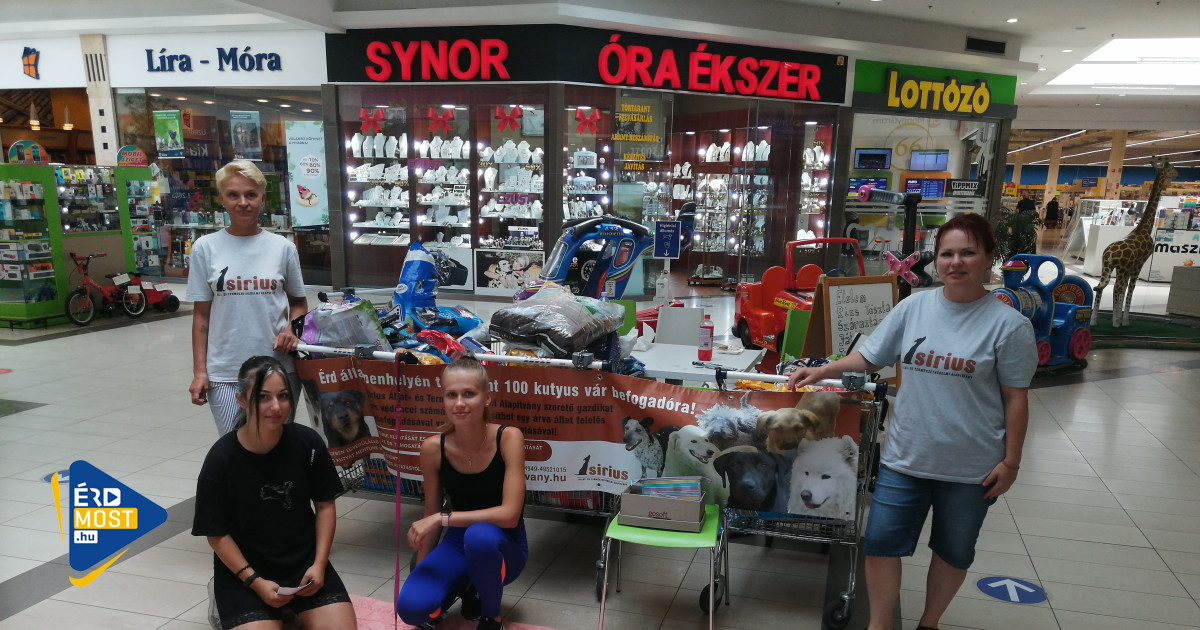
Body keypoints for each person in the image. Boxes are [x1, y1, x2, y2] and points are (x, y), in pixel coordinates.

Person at [787, 214, 1037, 630]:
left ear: (989, 257)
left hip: (972, 468)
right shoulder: (914, 307)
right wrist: (824, 370)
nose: (956, 262)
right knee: (881, 544)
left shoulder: (1010, 326)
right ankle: (880, 625)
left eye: (968, 252)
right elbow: (870, 357)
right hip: (906, 458)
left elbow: (1016, 399)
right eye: (947, 253)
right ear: (936, 259)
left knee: (954, 551)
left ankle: (929, 623)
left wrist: (1011, 462)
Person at [193, 356, 357, 630]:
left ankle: (291, 613)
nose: (276, 407)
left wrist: (319, 565)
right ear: (242, 400)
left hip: (303, 563)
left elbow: (325, 505)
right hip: (244, 572)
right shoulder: (221, 458)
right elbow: (216, 534)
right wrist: (254, 581)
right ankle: (228, 603)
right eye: (263, 397)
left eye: (283, 396)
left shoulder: (308, 443)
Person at [395, 356, 528, 630]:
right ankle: (467, 585)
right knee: (411, 608)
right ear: (443, 399)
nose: (459, 403)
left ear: (487, 398)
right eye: (451, 395)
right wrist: (422, 569)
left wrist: (440, 519)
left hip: (503, 544)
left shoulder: (509, 437)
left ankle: (491, 619)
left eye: (469, 394)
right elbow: (431, 511)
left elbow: (510, 515)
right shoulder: (433, 448)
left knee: (479, 536)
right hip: (457, 542)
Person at [188, 160, 308, 435]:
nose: (243, 202)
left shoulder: (283, 248)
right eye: (233, 195)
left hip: (278, 369)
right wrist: (200, 372)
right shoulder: (205, 248)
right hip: (225, 371)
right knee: (235, 446)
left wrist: (291, 330)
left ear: (262, 199)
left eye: (250, 195)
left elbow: (299, 303)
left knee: (276, 445)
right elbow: (201, 316)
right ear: (222, 199)